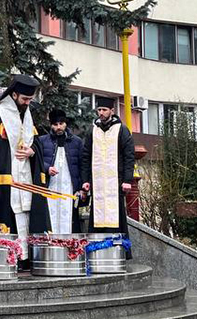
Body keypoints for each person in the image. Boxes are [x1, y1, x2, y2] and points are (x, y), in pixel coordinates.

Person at [0, 75, 51, 263]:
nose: (27, 103)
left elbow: (37, 143)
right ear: (15, 94)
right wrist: (1, 143)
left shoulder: (27, 116)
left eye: (30, 100)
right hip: (5, 180)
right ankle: (10, 257)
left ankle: (26, 257)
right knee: (8, 215)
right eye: (25, 99)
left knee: (26, 214)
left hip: (25, 176)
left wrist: (32, 151)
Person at [80, 97, 135, 241]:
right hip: (97, 184)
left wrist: (127, 179)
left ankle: (117, 249)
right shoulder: (93, 130)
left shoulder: (122, 130)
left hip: (115, 183)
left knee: (116, 216)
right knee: (97, 215)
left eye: (104, 110)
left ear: (112, 110)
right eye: (99, 110)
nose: (101, 113)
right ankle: (97, 251)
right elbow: (86, 156)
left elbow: (129, 156)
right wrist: (85, 180)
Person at [39, 109, 84, 234]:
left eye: (61, 123)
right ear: (51, 125)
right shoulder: (43, 141)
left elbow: (82, 165)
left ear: (66, 123)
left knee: (69, 217)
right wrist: (47, 168)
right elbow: (36, 161)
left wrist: (81, 187)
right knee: (50, 217)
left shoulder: (77, 142)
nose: (58, 127)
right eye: (55, 124)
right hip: (50, 186)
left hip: (69, 186)